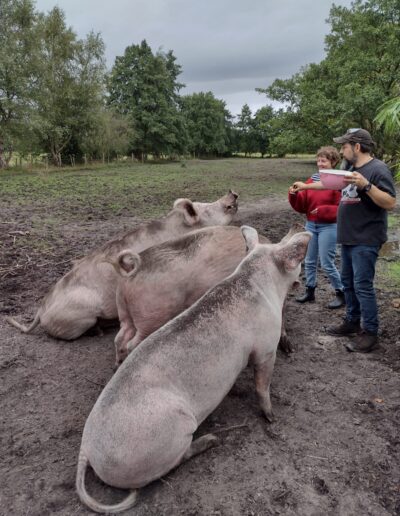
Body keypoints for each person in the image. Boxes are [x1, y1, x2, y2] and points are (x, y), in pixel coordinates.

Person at [290, 128, 397, 353]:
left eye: (344, 146)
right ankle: (351, 322)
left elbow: (389, 202)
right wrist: (306, 186)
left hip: (366, 237)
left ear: (357, 147)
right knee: (348, 282)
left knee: (362, 286)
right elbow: (331, 185)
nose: (341, 150)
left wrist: (366, 185)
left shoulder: (377, 169)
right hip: (348, 236)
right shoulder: (348, 167)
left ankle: (370, 333)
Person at [288, 146, 345, 309]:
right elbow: (302, 206)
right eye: (318, 160)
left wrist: (322, 211)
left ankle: (341, 293)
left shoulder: (338, 181)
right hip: (311, 225)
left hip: (329, 226)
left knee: (327, 262)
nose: (320, 163)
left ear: (333, 161)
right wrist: (293, 195)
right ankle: (310, 291)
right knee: (310, 261)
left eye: (324, 160)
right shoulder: (312, 180)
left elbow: (341, 208)